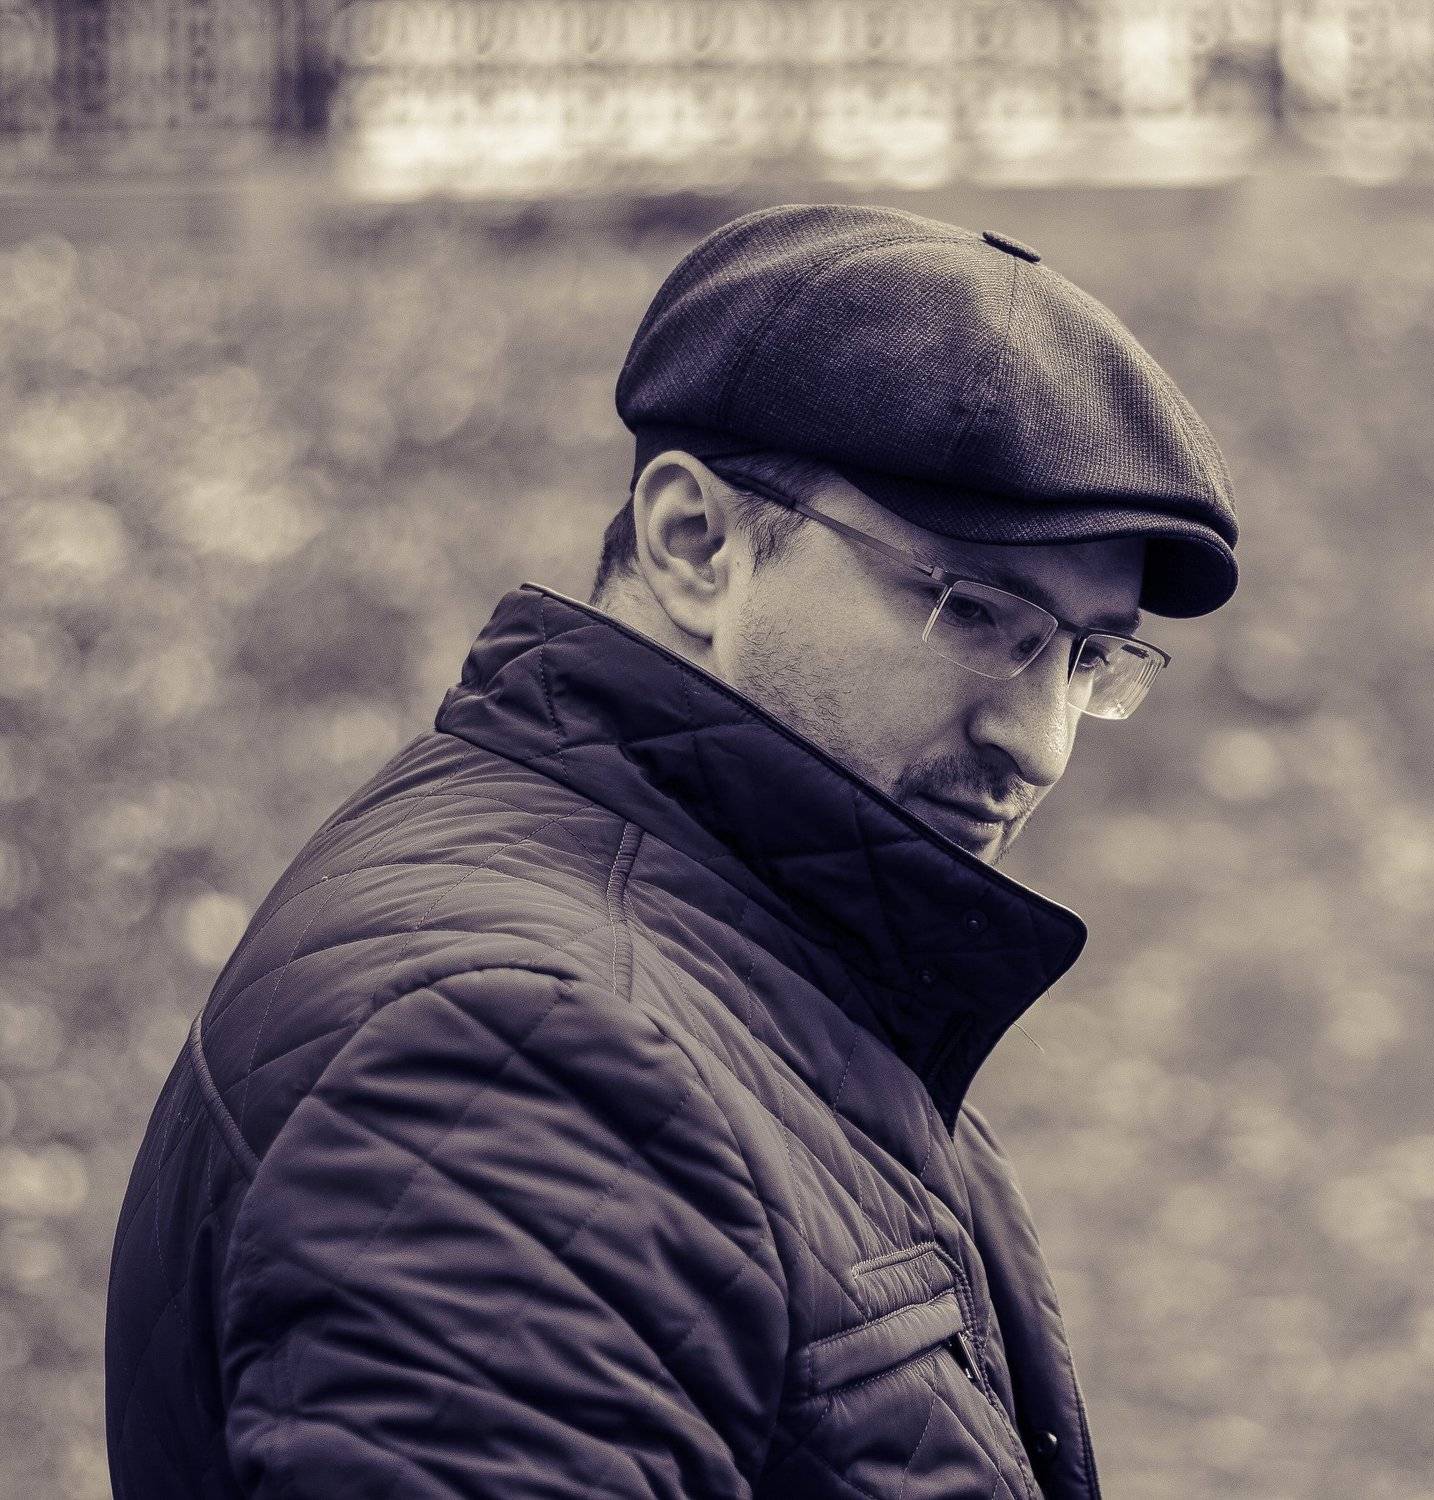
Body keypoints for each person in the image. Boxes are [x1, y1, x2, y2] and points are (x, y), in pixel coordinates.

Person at [104, 203, 1238, 1500]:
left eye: (1089, 658)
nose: (1039, 743)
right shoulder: (521, 1060)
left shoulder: (750, 956)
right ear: (694, 542)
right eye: (976, 611)